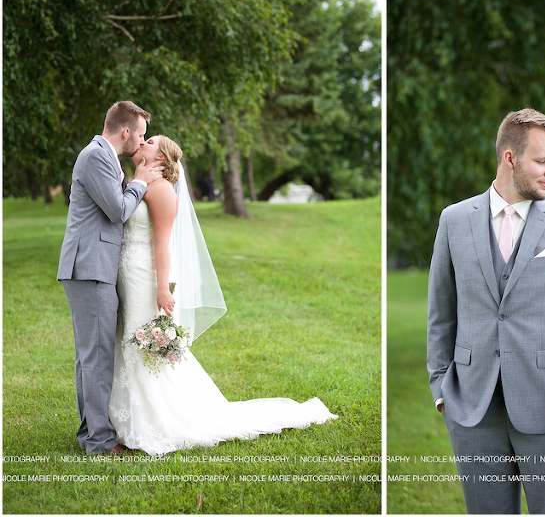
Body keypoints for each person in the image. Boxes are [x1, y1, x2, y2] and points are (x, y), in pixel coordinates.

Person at [427, 108, 545, 514]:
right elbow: (441, 312)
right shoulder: (454, 220)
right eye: (542, 161)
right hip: (471, 406)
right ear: (510, 158)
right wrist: (442, 390)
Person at [108, 135, 338, 456]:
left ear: (161, 158)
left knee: (141, 343)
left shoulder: (160, 191)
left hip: (145, 279)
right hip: (127, 274)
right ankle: (122, 416)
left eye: (149, 142)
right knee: (127, 339)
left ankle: (149, 419)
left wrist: (163, 288)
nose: (141, 143)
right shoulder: (138, 183)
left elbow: (162, 245)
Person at [58, 101, 164, 455]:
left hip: (94, 267)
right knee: (97, 356)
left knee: (92, 355)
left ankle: (91, 434)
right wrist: (140, 182)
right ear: (126, 132)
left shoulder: (106, 157)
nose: (142, 141)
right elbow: (118, 210)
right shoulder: (96, 156)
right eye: (142, 134)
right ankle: (100, 443)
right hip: (89, 267)